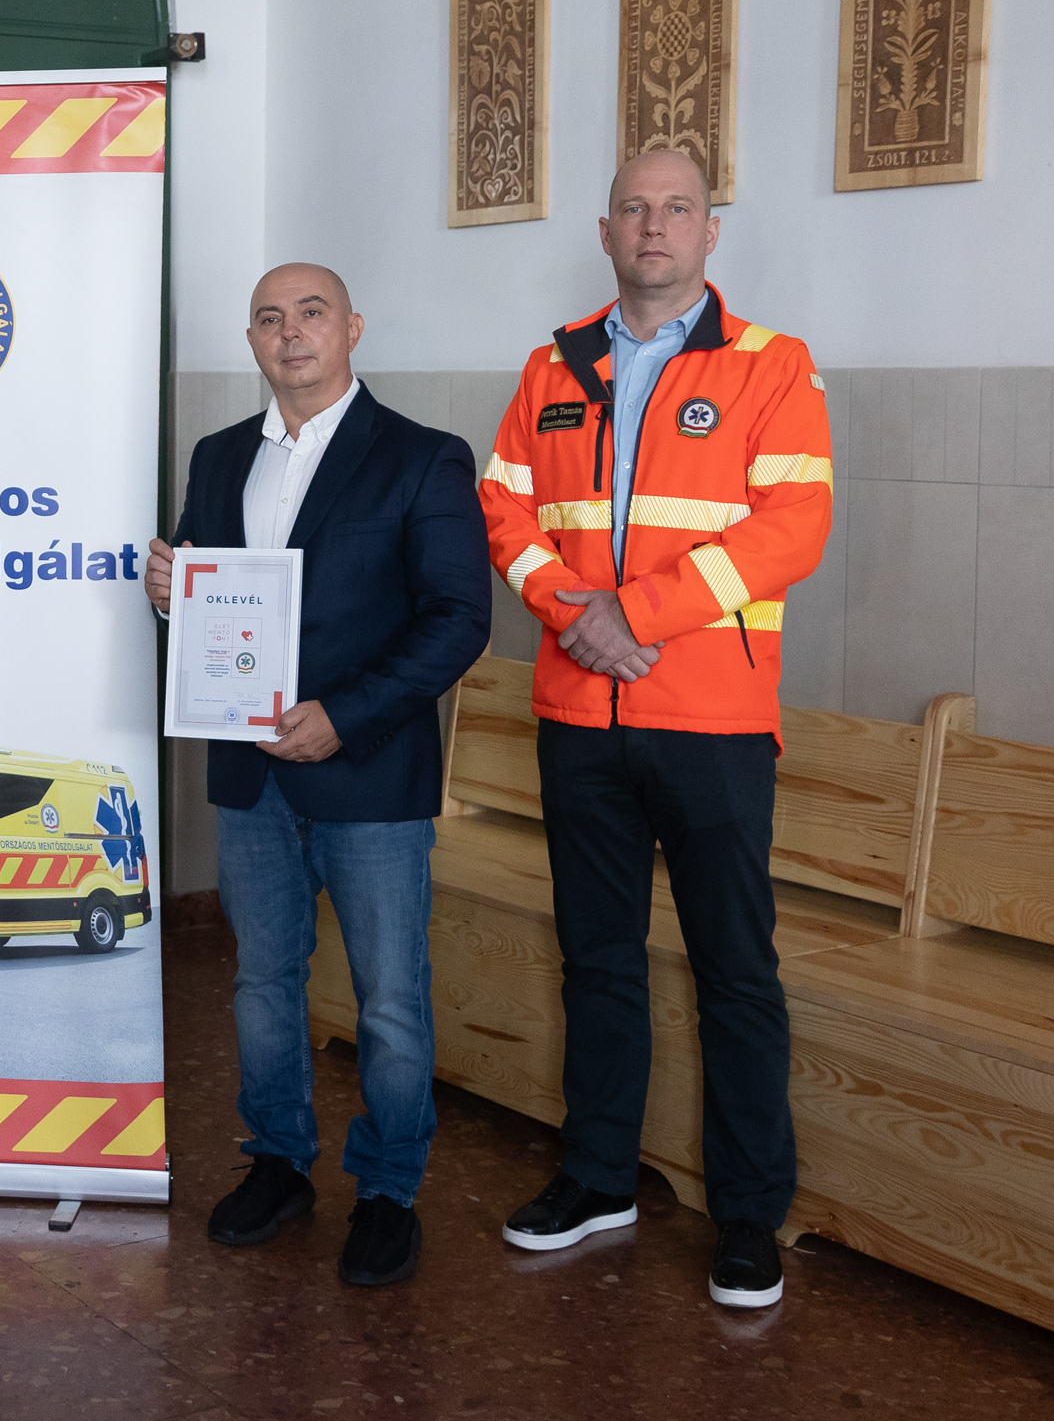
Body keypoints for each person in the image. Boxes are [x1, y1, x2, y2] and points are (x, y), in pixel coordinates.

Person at [477, 148, 834, 1308]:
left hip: (712, 719)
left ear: (707, 233)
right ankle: (597, 1178)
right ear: (603, 230)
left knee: (733, 969)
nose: (653, 225)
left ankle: (747, 1214)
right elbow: (502, 506)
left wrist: (631, 616)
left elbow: (791, 527)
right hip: (578, 714)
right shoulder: (550, 365)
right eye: (632, 208)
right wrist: (567, 612)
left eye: (676, 208)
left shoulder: (772, 365)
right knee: (595, 960)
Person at [144, 263, 490, 1287]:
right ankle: (277, 1162)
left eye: (310, 314)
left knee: (388, 998)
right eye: (268, 318)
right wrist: (170, 596)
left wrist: (346, 717)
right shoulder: (217, 457)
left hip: (368, 771)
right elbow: (216, 610)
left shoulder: (421, 457)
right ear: (251, 339)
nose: (289, 333)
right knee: (260, 984)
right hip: (250, 778)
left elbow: (457, 620)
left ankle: (386, 1190)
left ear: (351, 328)